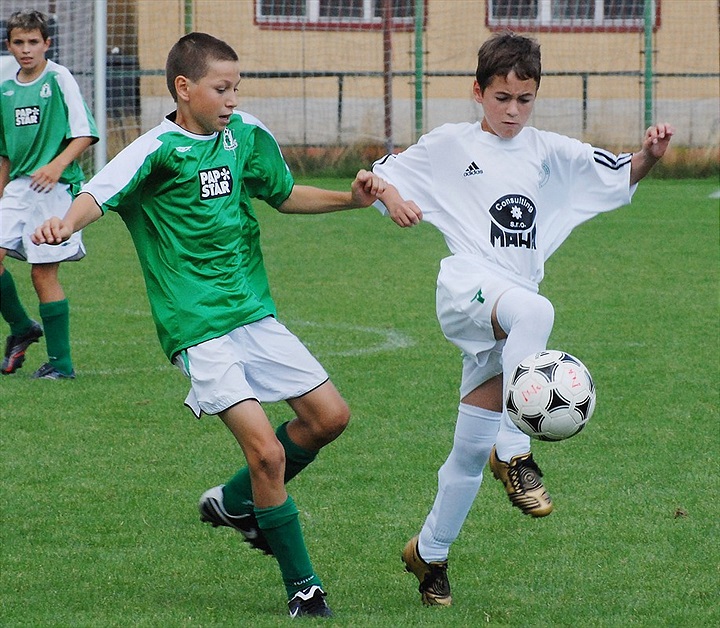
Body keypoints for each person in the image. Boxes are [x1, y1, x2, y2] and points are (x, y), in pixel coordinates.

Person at [32, 32, 389, 618]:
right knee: (268, 454)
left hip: (253, 311)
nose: (231, 99)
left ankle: (232, 502)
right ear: (184, 88)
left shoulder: (245, 135)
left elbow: (282, 193)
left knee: (330, 418)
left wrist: (352, 200)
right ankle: (304, 587)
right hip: (195, 325)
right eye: (221, 89)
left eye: (235, 88)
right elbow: (98, 194)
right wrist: (64, 225)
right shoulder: (154, 150)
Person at [371, 31, 674, 606]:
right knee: (538, 311)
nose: (513, 111)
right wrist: (391, 197)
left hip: (509, 320)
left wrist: (650, 158)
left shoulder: (548, 151)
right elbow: (376, 175)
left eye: (525, 99)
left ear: (536, 95)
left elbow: (616, 174)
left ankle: (429, 552)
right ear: (478, 92)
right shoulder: (448, 145)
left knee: (465, 450)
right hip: (468, 288)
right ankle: (513, 451)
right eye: (502, 98)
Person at [0, 9, 98, 379]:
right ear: (9, 45)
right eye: (19, 43)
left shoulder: (59, 79)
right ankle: (22, 327)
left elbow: (84, 132)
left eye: (33, 42)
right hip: (18, 187)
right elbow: (5, 151)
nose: (26, 50)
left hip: (55, 189)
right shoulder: (6, 89)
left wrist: (56, 165)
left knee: (43, 275)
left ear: (47, 44)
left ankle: (62, 365)